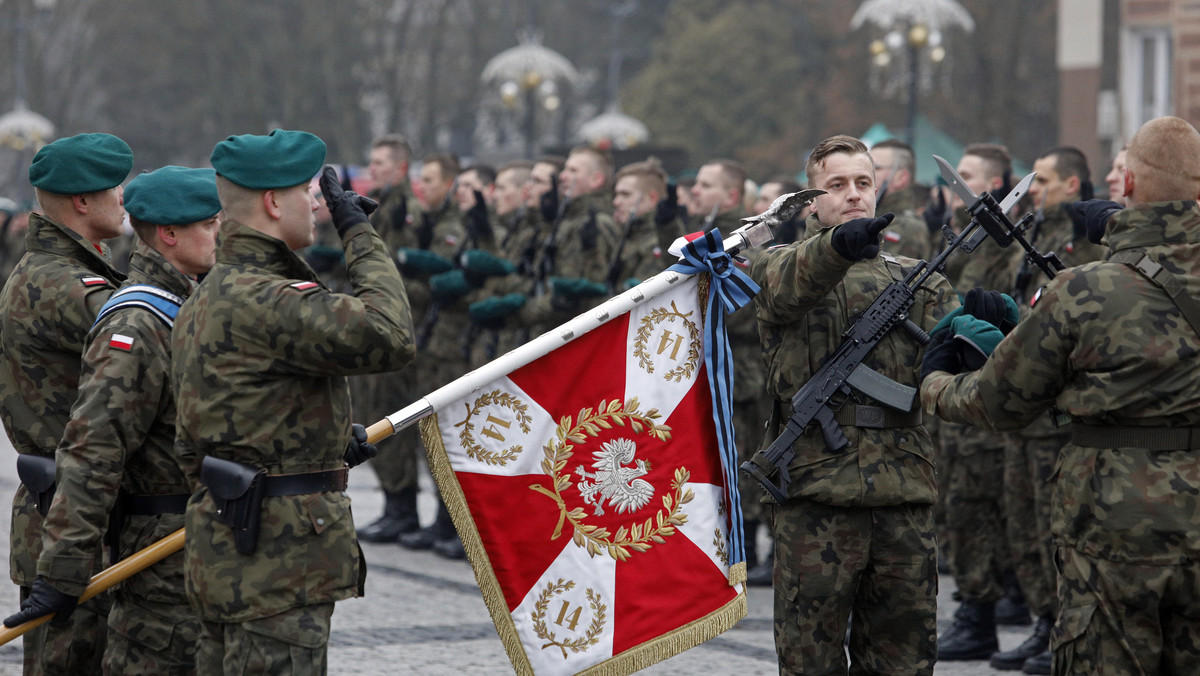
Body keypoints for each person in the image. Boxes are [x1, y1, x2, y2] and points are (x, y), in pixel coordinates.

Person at [921, 114, 1200, 675]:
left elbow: (998, 402)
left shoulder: (1084, 288)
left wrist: (935, 384)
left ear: (1128, 185)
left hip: (1113, 526)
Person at [172, 129, 415, 672]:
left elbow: (214, 429)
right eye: (307, 192)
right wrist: (360, 235)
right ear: (272, 202)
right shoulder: (268, 296)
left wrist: (315, 443)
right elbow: (391, 335)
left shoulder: (210, 291)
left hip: (227, 546)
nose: (317, 204)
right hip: (278, 564)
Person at [750, 135, 957, 673]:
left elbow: (955, 365)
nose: (852, 195)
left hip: (902, 494)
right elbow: (787, 288)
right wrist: (838, 246)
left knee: (904, 660)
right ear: (812, 201)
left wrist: (988, 329)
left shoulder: (917, 278)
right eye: (835, 185)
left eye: (862, 183)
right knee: (810, 661)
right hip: (818, 496)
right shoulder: (778, 265)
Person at [3, 166, 221, 674]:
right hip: (85, 517)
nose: (123, 200)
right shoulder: (109, 303)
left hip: (100, 518)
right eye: (211, 224)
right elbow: (96, 443)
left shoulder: (110, 280)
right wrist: (64, 566)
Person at [0, 132, 132, 675]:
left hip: (64, 514)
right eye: (114, 187)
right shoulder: (67, 286)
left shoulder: (56, 273)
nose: (123, 197)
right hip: (77, 522)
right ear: (83, 202)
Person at [989, 145, 1106, 673]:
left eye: (1046, 179)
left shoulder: (1085, 241)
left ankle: (1061, 624)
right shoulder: (1031, 230)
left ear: (1073, 185)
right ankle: (1042, 620)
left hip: (1054, 412)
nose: (1033, 187)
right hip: (1023, 404)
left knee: (1051, 524)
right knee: (1023, 522)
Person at [354, 135, 423, 547]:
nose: (373, 169)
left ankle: (405, 507)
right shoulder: (377, 208)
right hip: (375, 322)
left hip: (400, 323)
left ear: (399, 168)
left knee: (396, 417)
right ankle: (394, 503)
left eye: (380, 162)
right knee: (376, 410)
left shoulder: (407, 213)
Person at [869, 139, 932, 260]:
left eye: (875, 168)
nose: (866, 172)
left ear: (900, 177)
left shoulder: (908, 227)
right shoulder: (869, 215)